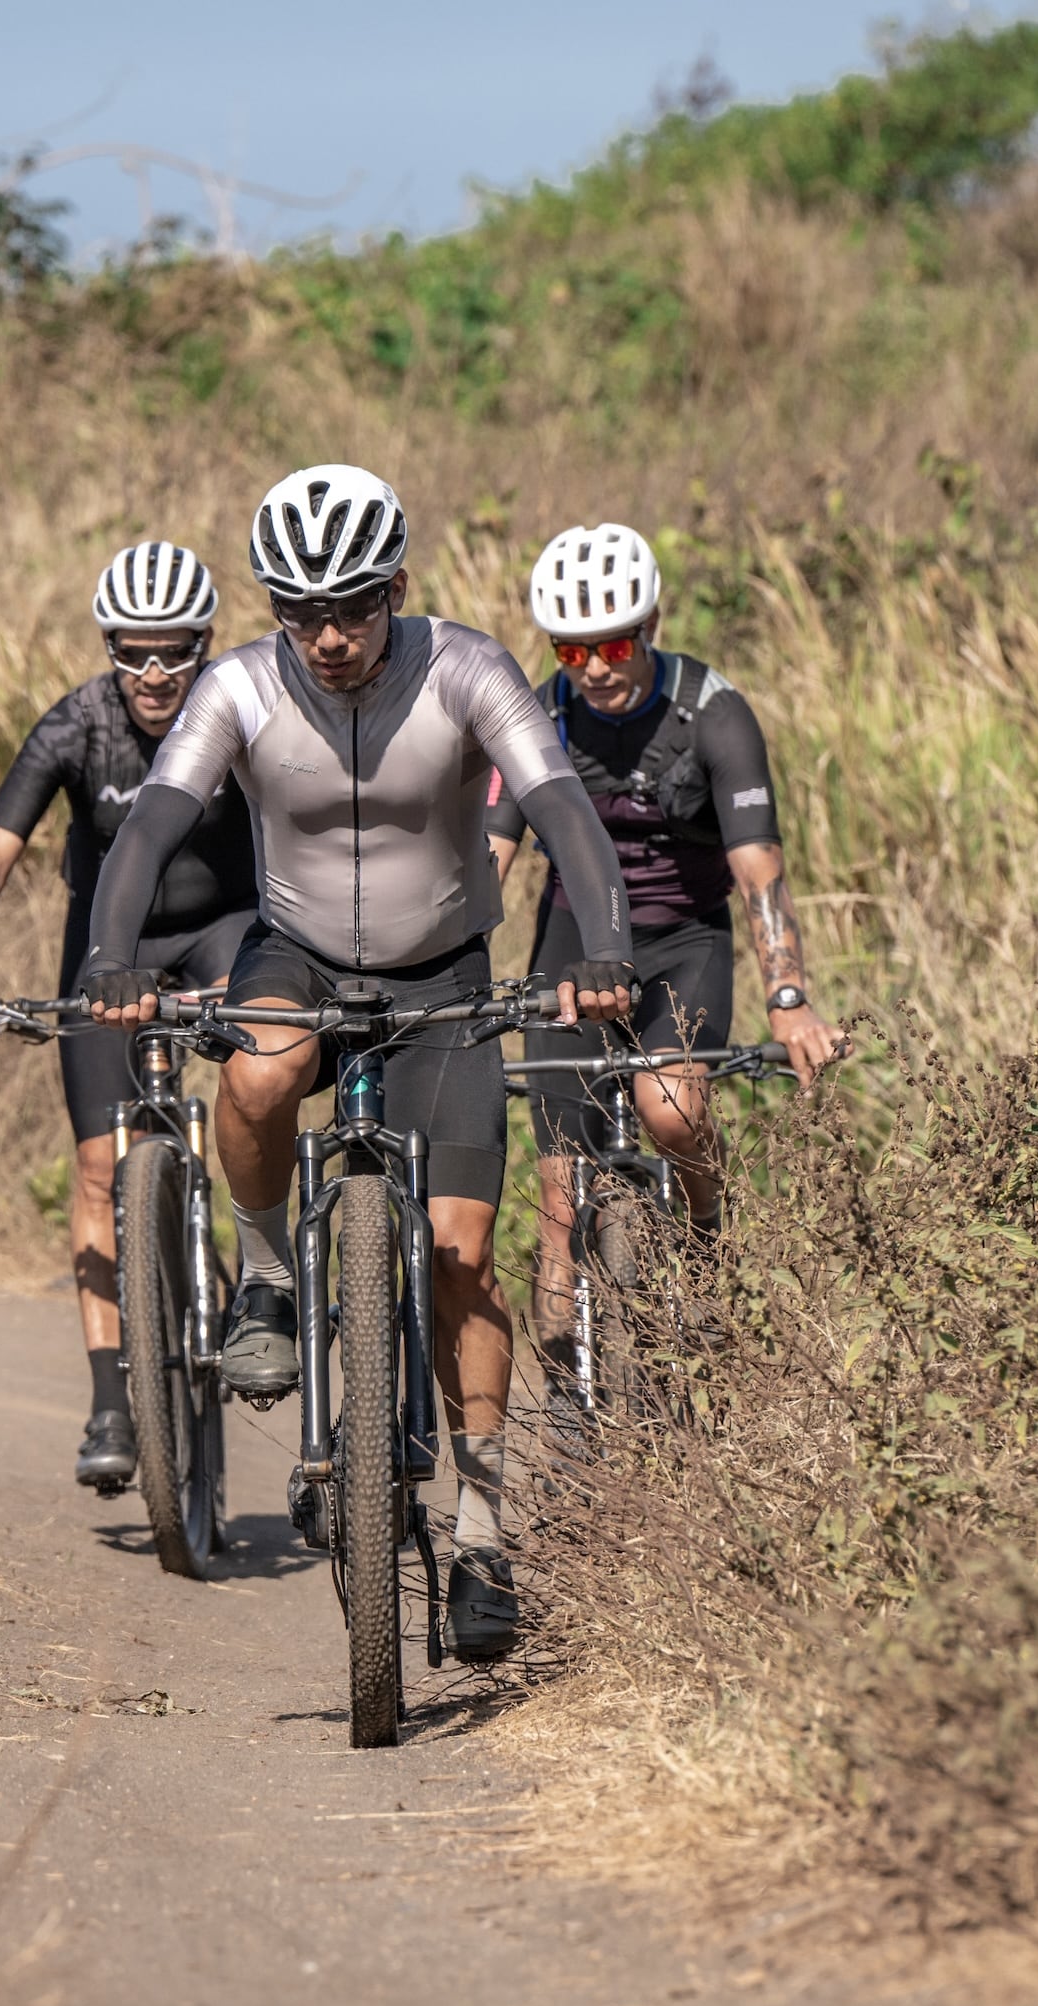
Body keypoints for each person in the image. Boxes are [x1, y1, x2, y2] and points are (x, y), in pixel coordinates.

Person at [78, 466, 635, 1661]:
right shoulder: (235, 685)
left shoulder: (467, 667)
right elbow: (151, 827)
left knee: (465, 1252)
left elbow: (564, 810)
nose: (328, 637)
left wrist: (611, 950)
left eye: (352, 608)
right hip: (301, 958)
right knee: (259, 1074)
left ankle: (482, 1536)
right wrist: (110, 956)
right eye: (299, 612)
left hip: (445, 974)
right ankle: (270, 1271)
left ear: (396, 587)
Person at [0, 540, 255, 1494]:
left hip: (225, 934)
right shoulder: (76, 726)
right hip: (108, 951)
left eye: (174, 652)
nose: (153, 675)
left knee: (256, 1081)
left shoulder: (238, 712)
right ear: (108, 648)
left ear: (205, 643)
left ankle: (258, 1275)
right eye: (131, 652)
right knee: (100, 1162)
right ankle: (112, 1398)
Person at [486, 522, 845, 1355]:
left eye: (613, 645)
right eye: (574, 655)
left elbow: (759, 874)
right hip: (573, 942)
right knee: (559, 1192)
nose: (598, 670)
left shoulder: (714, 715)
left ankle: (706, 1228)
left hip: (683, 940)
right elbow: (491, 859)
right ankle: (573, 1387)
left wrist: (788, 1000)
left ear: (652, 626)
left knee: (672, 1111)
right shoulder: (538, 716)